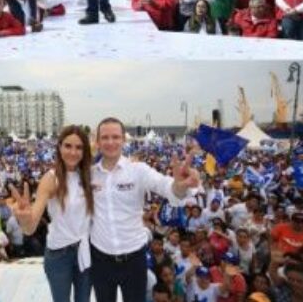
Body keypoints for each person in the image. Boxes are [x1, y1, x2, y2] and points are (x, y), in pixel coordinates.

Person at [89, 117, 200, 302]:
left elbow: (167, 187)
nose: (110, 142)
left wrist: (180, 186)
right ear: (98, 141)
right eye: (105, 137)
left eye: (115, 137)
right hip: (101, 260)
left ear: (124, 140)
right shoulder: (89, 174)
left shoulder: (138, 170)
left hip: (134, 259)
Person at [11, 125, 95, 302]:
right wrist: (25, 217)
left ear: (85, 150)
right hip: (59, 255)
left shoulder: (88, 175)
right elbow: (30, 228)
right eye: (68, 146)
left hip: (85, 251)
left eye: (78, 147)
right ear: (59, 147)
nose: (73, 152)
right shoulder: (51, 179)